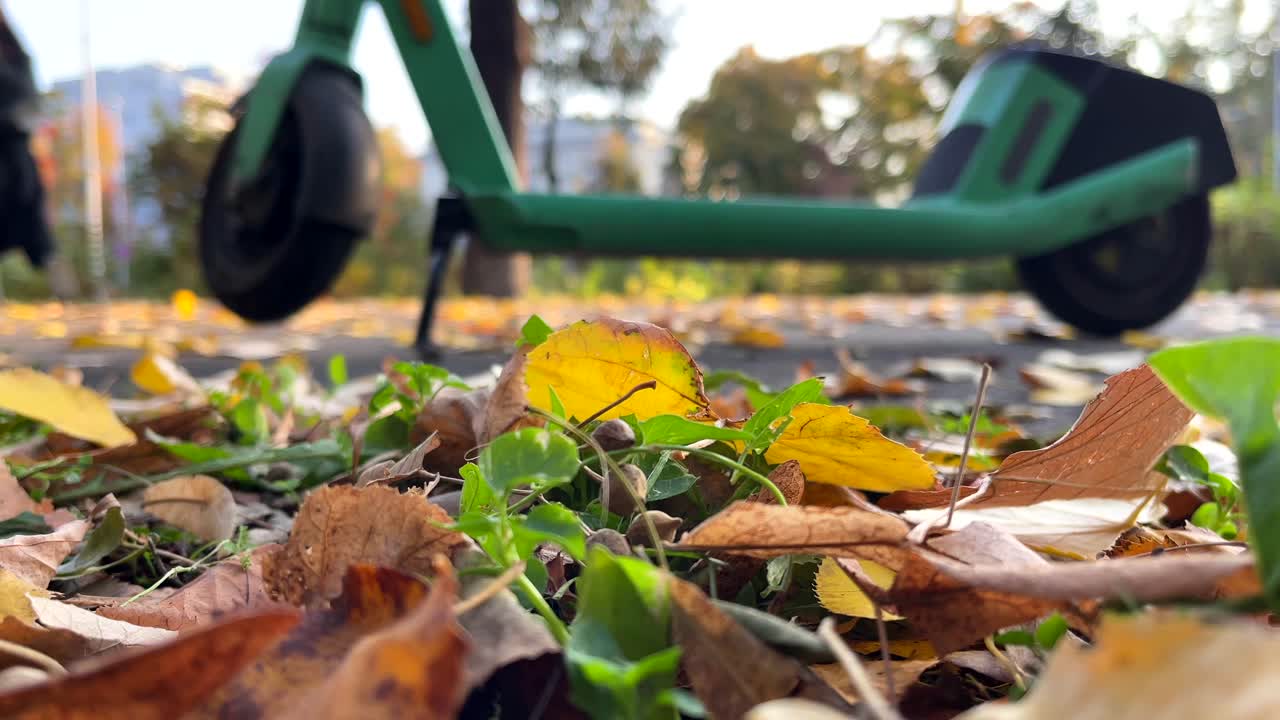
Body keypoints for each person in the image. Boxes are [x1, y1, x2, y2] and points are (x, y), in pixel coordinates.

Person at [0, 5, 56, 272]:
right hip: (13, 143)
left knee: (26, 201)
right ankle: (51, 266)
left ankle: (53, 270)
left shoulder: (13, 53)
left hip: (13, 143)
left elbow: (26, 94)